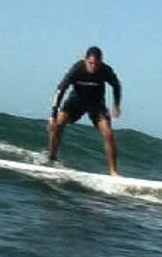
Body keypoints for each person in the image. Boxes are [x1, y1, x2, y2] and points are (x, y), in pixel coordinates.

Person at [48, 46, 122, 176]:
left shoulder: (105, 71)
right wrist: (53, 115)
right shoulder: (77, 69)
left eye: (96, 64)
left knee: (108, 133)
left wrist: (116, 105)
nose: (93, 66)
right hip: (76, 101)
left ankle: (113, 171)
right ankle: (52, 160)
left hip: (96, 104)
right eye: (90, 63)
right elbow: (60, 90)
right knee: (57, 125)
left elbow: (116, 85)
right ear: (85, 60)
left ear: (101, 61)